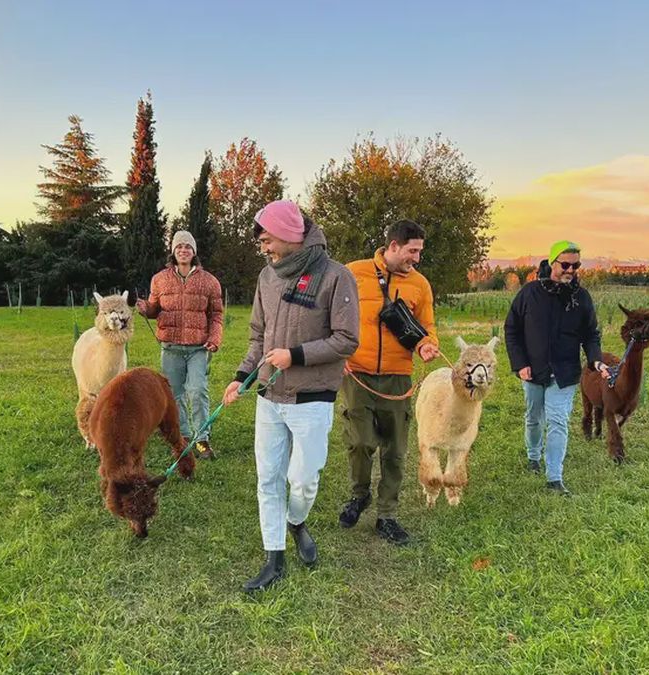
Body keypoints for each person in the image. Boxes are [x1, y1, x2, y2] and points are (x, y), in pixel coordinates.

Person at [222, 200, 359, 593]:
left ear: (288, 233)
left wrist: (295, 356)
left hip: (312, 400)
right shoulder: (267, 277)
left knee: (302, 481)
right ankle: (274, 559)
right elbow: (257, 335)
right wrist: (242, 376)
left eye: (266, 239)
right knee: (268, 479)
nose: (263, 248)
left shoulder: (336, 277)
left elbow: (347, 339)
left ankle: (297, 521)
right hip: (269, 396)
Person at [339, 220, 440, 545]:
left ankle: (387, 515)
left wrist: (427, 344)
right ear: (393, 246)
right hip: (357, 373)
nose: (417, 258)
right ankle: (359, 496)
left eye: (420, 251)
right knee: (361, 442)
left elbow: (428, 325)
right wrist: (336, 351)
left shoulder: (420, 284)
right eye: (413, 250)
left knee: (395, 450)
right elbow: (331, 314)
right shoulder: (353, 273)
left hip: (398, 378)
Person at [503, 240, 609, 496]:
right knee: (533, 419)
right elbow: (512, 329)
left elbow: (591, 334)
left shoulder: (581, 298)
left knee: (558, 422)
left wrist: (595, 360)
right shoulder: (529, 293)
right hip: (533, 370)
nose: (570, 270)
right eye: (565, 264)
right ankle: (533, 456)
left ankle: (554, 478)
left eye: (576, 265)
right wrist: (520, 364)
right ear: (552, 263)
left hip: (565, 372)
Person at [136, 230, 224, 459]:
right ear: (173, 251)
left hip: (198, 348)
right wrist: (146, 308)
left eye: (188, 247)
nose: (183, 250)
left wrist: (214, 338)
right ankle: (183, 436)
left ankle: (202, 438)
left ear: (194, 252)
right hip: (171, 347)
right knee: (174, 395)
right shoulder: (159, 279)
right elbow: (155, 308)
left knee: (197, 391)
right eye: (179, 247)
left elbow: (216, 315)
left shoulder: (210, 281)